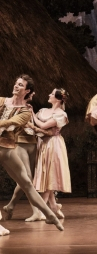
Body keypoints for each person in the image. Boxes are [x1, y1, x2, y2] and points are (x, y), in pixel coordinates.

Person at [0, 75, 64, 234]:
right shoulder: (2, 101)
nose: (16, 86)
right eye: (16, 83)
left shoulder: (25, 112)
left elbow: (10, 123)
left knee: (27, 183)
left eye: (20, 85)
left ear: (27, 91)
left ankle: (50, 215)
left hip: (6, 149)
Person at [3, 92, 54, 222]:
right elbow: (25, 125)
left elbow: (34, 126)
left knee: (28, 179)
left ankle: (10, 206)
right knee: (27, 178)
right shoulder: (19, 109)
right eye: (32, 93)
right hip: (20, 143)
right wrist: (45, 131)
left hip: (32, 143)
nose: (34, 95)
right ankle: (36, 212)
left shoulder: (29, 109)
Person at [31, 89, 72, 219]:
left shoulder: (61, 114)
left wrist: (31, 112)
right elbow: (36, 124)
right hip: (43, 143)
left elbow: (43, 126)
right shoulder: (43, 111)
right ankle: (53, 206)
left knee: (50, 173)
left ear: (58, 99)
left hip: (54, 145)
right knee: (46, 173)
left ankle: (42, 209)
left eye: (52, 94)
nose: (49, 94)